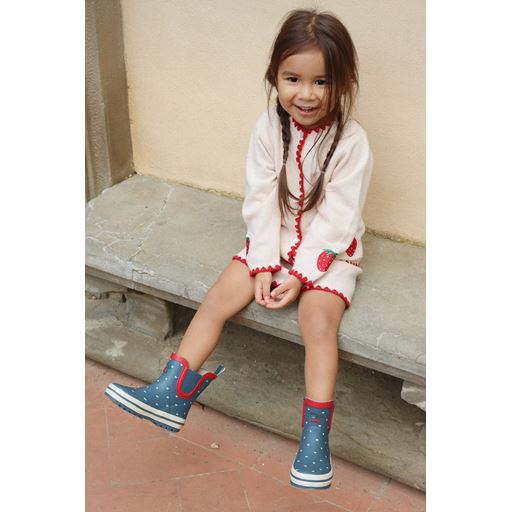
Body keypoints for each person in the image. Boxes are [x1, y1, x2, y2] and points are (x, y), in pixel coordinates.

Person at [105, 8, 373, 491]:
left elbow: (340, 218)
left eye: (322, 82)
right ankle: (172, 390)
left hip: (329, 252)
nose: (307, 94)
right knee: (218, 298)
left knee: (317, 322)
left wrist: (300, 275)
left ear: (344, 82)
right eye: (293, 79)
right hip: (273, 239)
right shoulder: (268, 128)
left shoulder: (352, 142)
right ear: (274, 77)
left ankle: (315, 440)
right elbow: (260, 198)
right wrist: (265, 263)